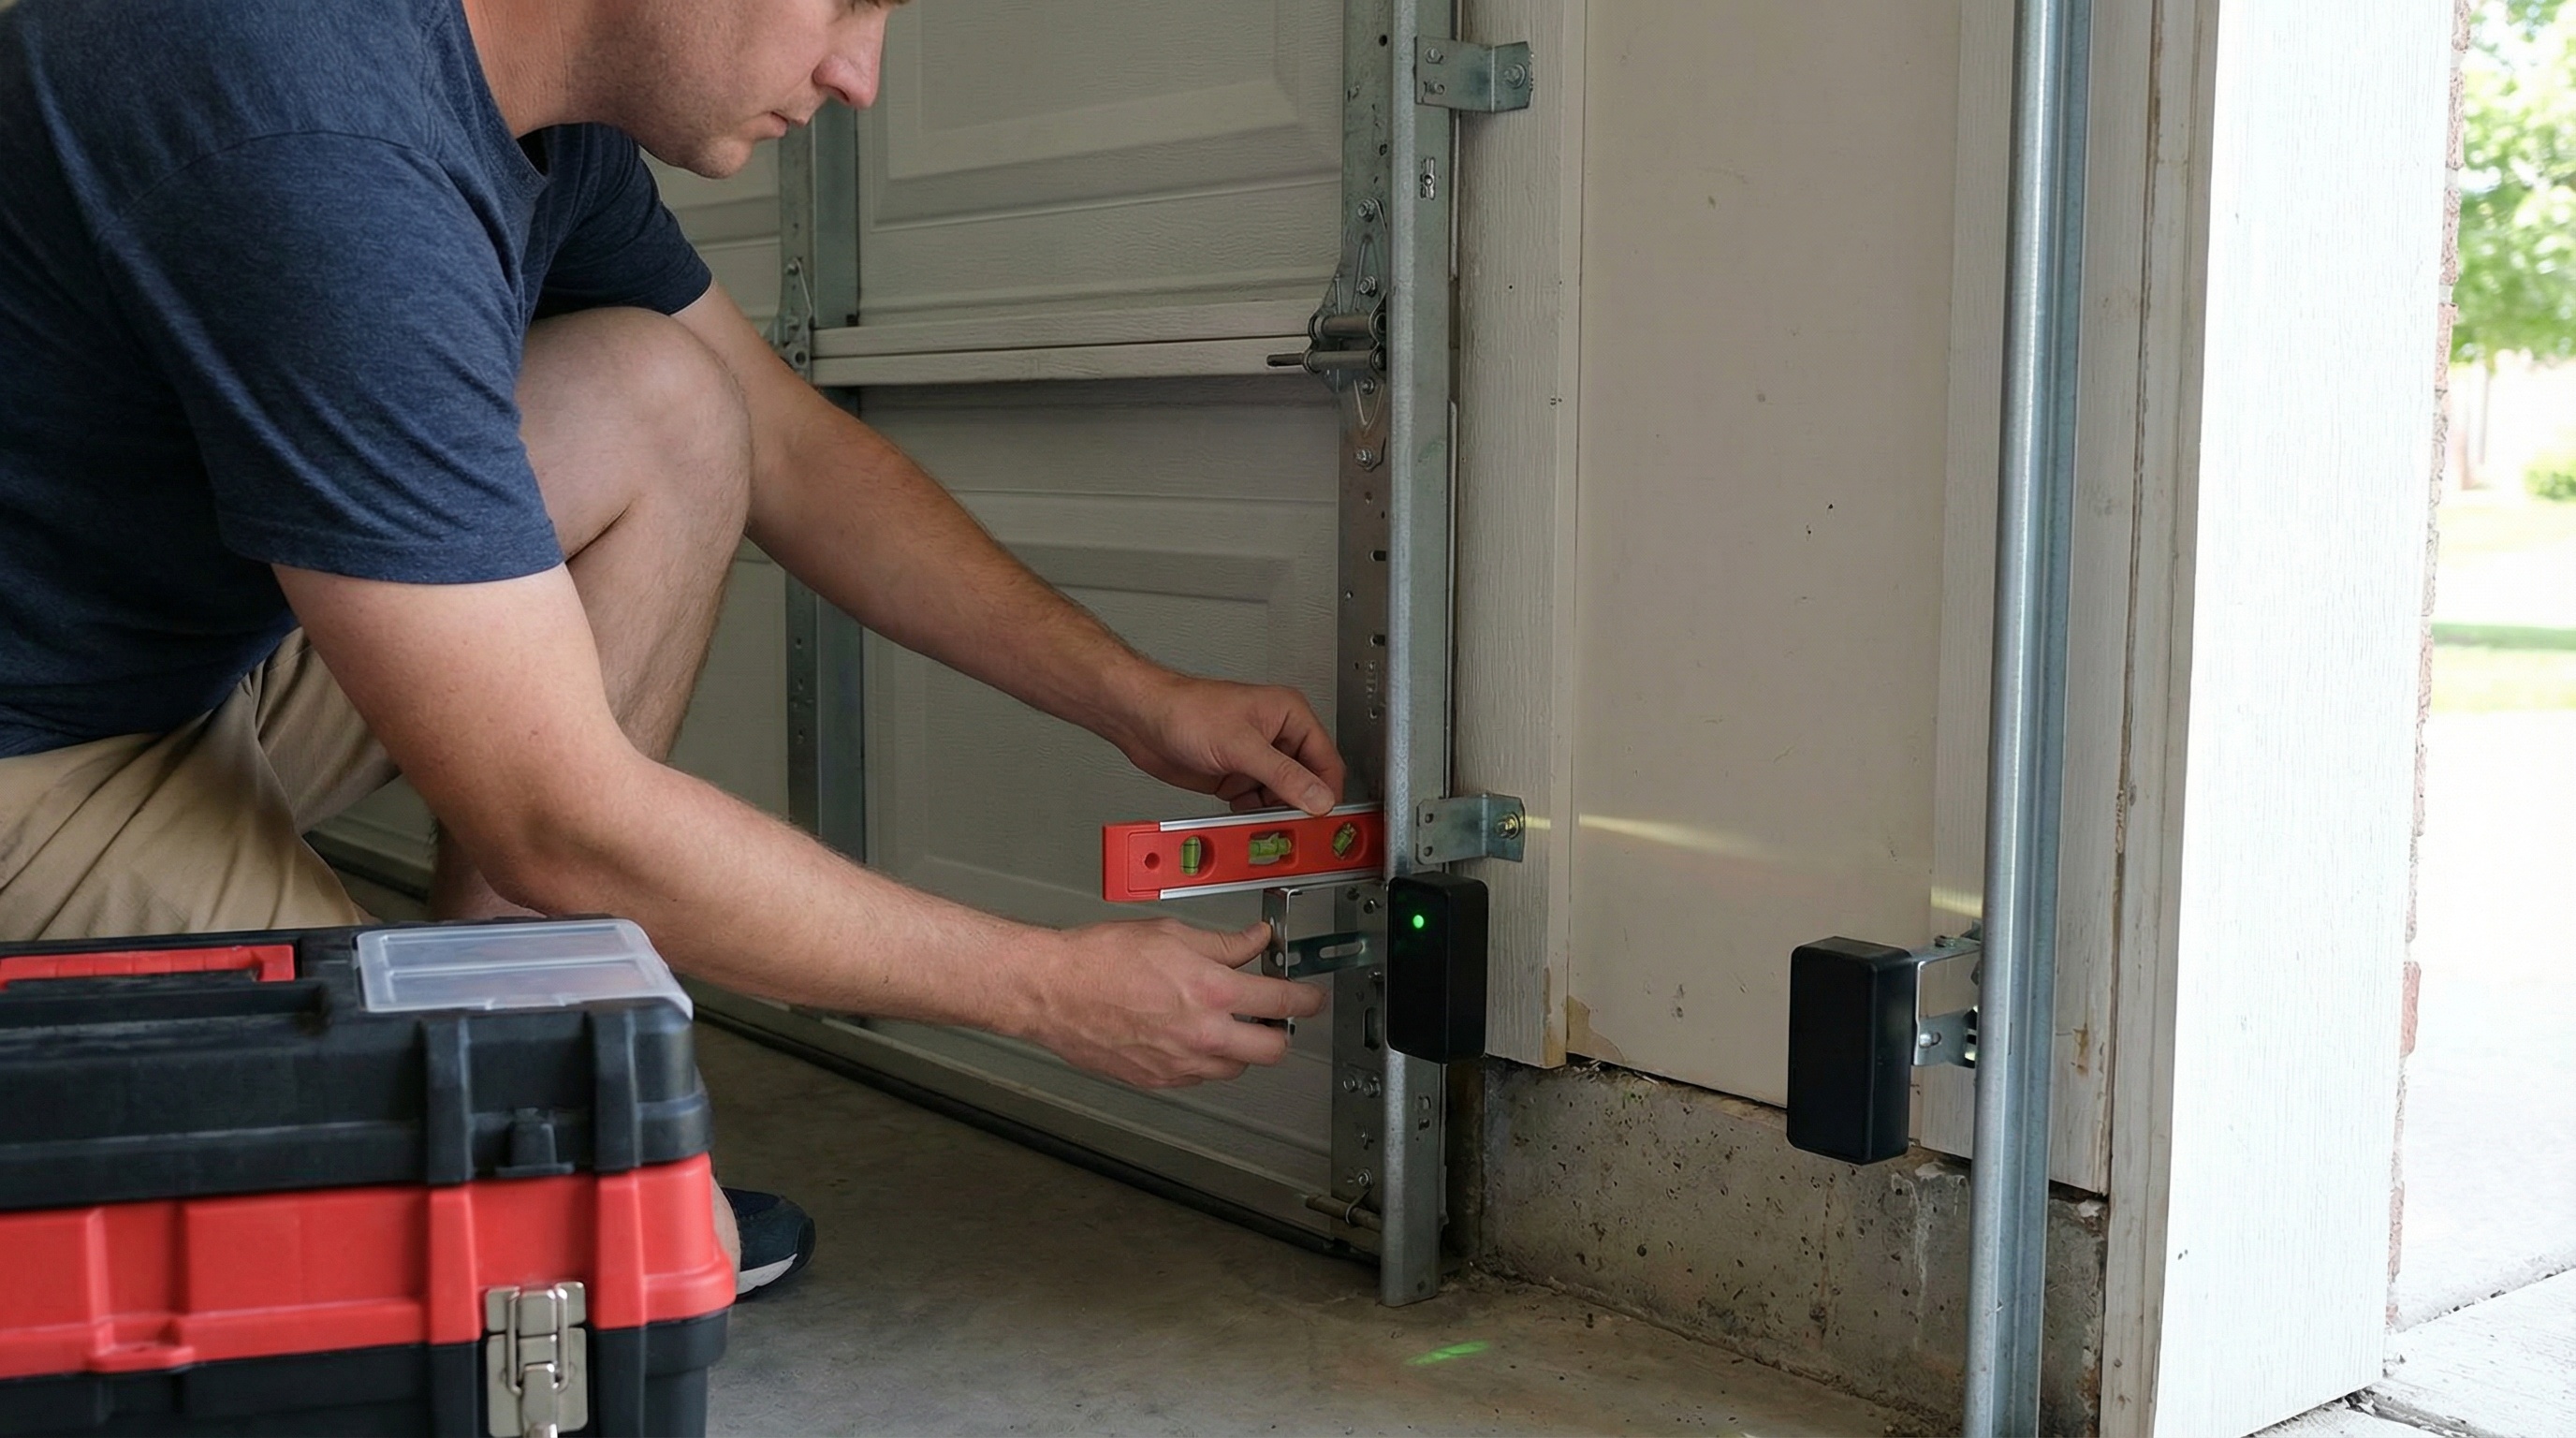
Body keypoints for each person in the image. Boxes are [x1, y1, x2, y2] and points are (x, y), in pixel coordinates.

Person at [0, 0, 1339, 1296]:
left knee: (672, 402)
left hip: (173, 675)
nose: (860, 76)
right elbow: (555, 821)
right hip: (32, 762)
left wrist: (1136, 697)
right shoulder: (310, 132)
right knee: (496, 1272)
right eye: (849, 4)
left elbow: (792, 449)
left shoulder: (535, 121)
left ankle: (512, 1051)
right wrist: (1047, 993)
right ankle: (510, 1154)